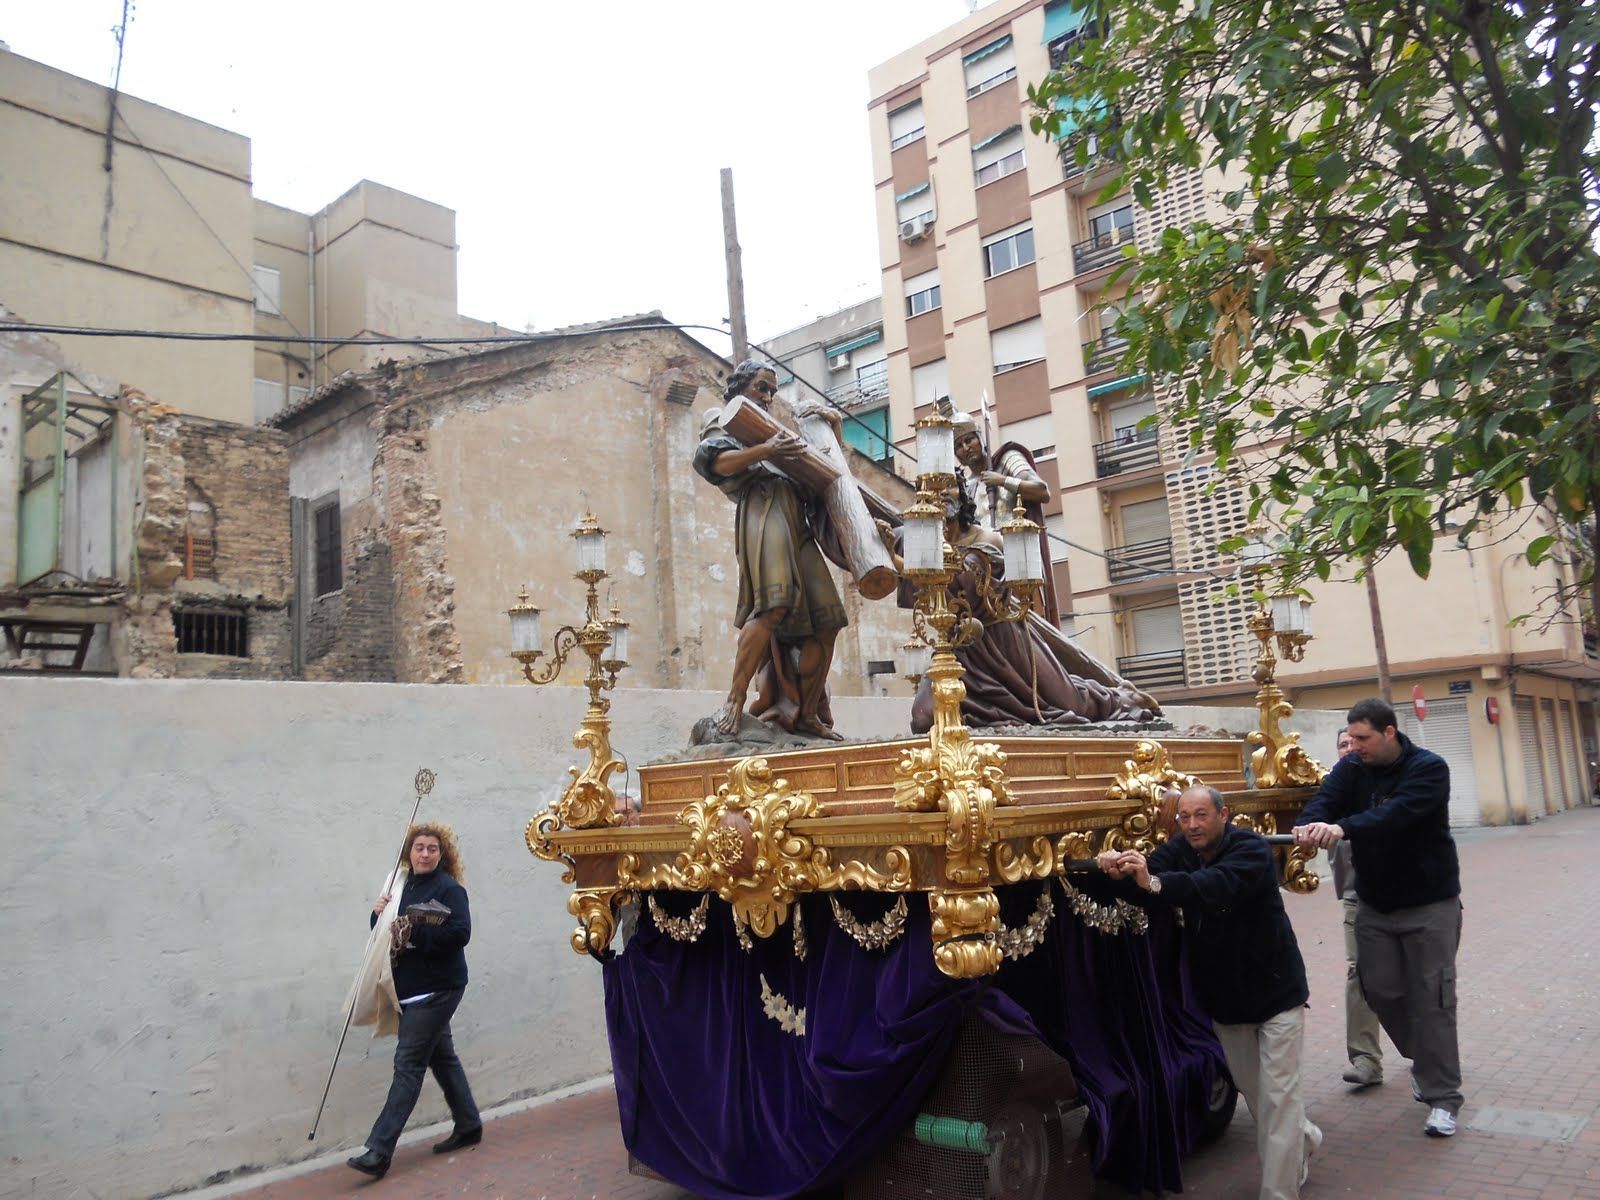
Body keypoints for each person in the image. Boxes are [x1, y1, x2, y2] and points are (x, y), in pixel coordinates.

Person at [1098, 785, 1321, 1200]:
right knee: (1259, 1094)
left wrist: (1152, 881)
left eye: (1201, 815)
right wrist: (1118, 869)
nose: (1192, 825)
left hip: (1276, 995)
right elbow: (1145, 884)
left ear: (1224, 814)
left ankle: (1279, 1192)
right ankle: (1302, 1137)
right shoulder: (1180, 849)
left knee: (1279, 1100)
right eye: (1184, 817)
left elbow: (1211, 886)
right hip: (1225, 1001)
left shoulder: (1251, 849)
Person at [1294, 698, 1463, 1138]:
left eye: (1363, 738)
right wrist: (1309, 825)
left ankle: (1442, 1097)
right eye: (1350, 739)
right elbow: (1324, 801)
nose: (1355, 747)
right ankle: (1428, 1057)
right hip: (1375, 905)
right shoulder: (1352, 768)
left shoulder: (1429, 768)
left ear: (1389, 732)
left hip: (1429, 904)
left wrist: (1342, 828)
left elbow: (1396, 815)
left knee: (1433, 1000)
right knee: (1378, 988)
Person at [877, 488, 1159, 732]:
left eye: (948, 485)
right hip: (955, 648)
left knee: (1069, 703)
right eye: (931, 487)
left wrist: (898, 561)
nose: (940, 494)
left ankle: (1122, 697)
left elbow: (960, 584)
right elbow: (923, 583)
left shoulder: (987, 541)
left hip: (1003, 644)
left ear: (962, 497)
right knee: (924, 718)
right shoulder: (923, 546)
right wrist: (889, 547)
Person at [693, 360, 849, 740]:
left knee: (828, 620)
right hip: (764, 508)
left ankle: (807, 714)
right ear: (739, 387)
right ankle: (734, 700)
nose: (767, 397)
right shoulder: (727, 420)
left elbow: (826, 474)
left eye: (772, 392)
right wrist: (766, 449)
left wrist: (834, 430)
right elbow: (715, 462)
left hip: (796, 517)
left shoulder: (777, 432)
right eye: (761, 387)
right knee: (772, 605)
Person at [348, 824, 482, 1179]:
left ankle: (379, 1151)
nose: (424, 854)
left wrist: (416, 932)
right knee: (442, 1057)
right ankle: (469, 1123)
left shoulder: (449, 889)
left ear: (442, 853)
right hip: (406, 990)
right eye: (419, 847)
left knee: (407, 1063)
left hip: (438, 990)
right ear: (409, 852)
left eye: (432, 848)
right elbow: (384, 934)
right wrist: (378, 915)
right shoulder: (399, 887)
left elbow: (461, 933)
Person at [942, 398, 1061, 627]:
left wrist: (1003, 481)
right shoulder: (966, 486)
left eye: (969, 440)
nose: (965, 448)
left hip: (1017, 563)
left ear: (979, 437)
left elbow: (1042, 491)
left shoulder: (1007, 459)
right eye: (958, 446)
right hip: (985, 572)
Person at [1328, 728, 1385, 1089]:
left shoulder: (1381, 785)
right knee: (1359, 972)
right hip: (1355, 896)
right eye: (1343, 745)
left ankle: (1427, 1057)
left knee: (1410, 977)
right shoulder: (1333, 790)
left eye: (1355, 743)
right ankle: (1365, 1058)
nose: (1349, 749)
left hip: (1399, 898)